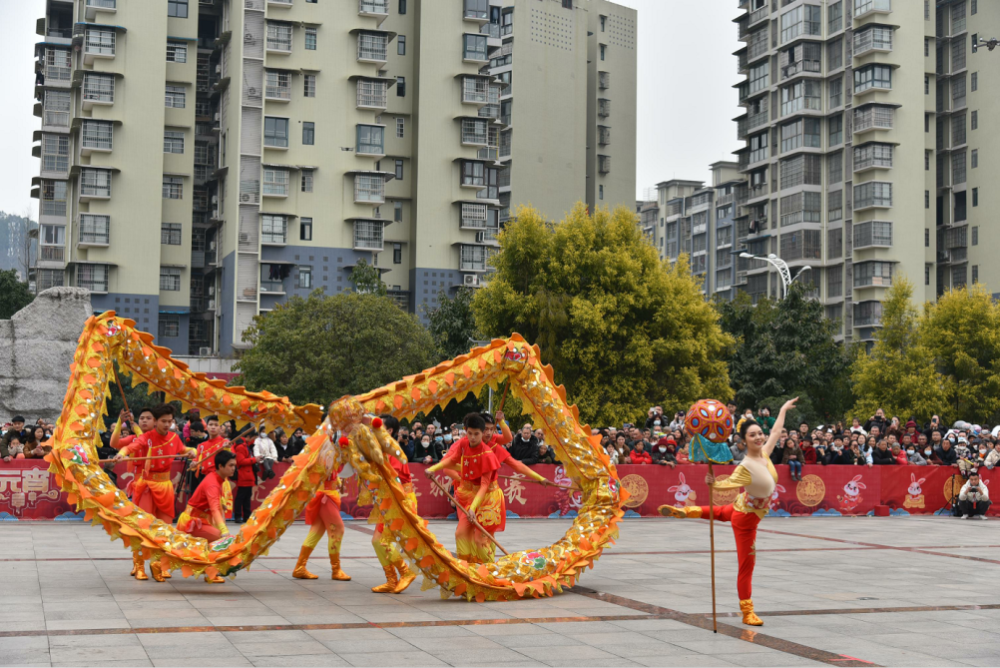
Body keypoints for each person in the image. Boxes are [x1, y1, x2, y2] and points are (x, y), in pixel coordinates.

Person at [660, 397, 798, 627]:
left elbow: (775, 431)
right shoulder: (746, 466)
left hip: (742, 505)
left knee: (722, 512)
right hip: (747, 519)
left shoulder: (764, 454)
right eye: (752, 435)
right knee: (746, 566)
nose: (758, 437)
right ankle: (747, 611)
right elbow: (727, 484)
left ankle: (687, 511)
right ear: (743, 440)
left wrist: (783, 409)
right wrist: (713, 483)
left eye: (759, 434)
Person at [426, 413, 551, 564]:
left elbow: (516, 463)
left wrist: (539, 478)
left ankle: (488, 568)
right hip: (468, 494)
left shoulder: (492, 450)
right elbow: (448, 465)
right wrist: (464, 475)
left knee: (481, 538)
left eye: (491, 429)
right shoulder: (464, 444)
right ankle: (468, 567)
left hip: (488, 497)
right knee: (462, 533)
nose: (488, 433)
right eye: (484, 429)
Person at [113, 403, 195, 581]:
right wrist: (122, 453)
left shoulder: (174, 438)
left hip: (165, 487)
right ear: (156, 421)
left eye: (170, 421)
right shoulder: (146, 437)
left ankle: (161, 564)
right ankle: (140, 564)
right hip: (147, 487)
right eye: (163, 421)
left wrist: (192, 451)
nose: (167, 424)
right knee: (143, 528)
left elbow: (184, 450)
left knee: (165, 528)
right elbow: (131, 447)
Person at [361, 415, 418, 594]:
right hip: (388, 501)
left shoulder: (392, 450)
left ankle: (404, 572)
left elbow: (394, 482)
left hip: (398, 500)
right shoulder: (380, 449)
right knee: (378, 541)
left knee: (380, 540)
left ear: (389, 431)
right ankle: (392, 579)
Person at [292, 436, 351, 583]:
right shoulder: (325, 449)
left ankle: (300, 567)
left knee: (316, 531)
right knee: (338, 529)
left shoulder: (328, 449)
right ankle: (336, 569)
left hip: (326, 494)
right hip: (325, 496)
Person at [175, 450, 236, 583]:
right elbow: (214, 509)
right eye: (230, 465)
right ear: (220, 466)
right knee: (219, 539)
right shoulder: (213, 483)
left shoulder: (217, 478)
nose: (233, 468)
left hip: (201, 520)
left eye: (234, 465)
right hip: (193, 522)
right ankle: (210, 573)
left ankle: (210, 571)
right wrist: (224, 531)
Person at [232, 432, 256, 524]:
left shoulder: (245, 446)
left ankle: (246, 516)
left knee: (246, 497)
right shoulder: (241, 447)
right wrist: (254, 460)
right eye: (253, 438)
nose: (253, 440)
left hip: (247, 474)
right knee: (241, 497)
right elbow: (241, 461)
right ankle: (238, 516)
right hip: (244, 474)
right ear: (248, 437)